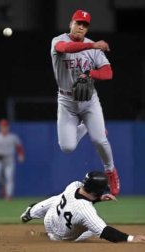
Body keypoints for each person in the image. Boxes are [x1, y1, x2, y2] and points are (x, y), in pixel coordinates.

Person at [51, 9, 120, 195]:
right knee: (67, 147)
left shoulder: (93, 46)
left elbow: (108, 72)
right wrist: (92, 47)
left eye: (84, 25)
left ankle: (110, 171)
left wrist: (91, 73)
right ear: (70, 24)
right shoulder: (58, 41)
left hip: (89, 100)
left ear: (87, 29)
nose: (81, 27)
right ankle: (87, 126)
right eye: (78, 23)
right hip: (66, 101)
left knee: (99, 139)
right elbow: (65, 49)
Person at [20, 171, 145, 243]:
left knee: (57, 199)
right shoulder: (86, 211)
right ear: (95, 192)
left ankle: (30, 212)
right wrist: (130, 238)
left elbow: (82, 198)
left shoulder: (74, 185)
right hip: (60, 238)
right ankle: (45, 229)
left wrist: (98, 198)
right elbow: (105, 231)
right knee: (92, 227)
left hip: (49, 220)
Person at [0, 119, 25, 200]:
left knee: (9, 177)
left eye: (5, 126)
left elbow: (19, 147)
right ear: (0, 127)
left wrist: (21, 155)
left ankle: (9, 195)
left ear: (8, 127)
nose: (4, 128)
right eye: (2, 126)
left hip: (9, 159)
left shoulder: (13, 137)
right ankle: (2, 188)